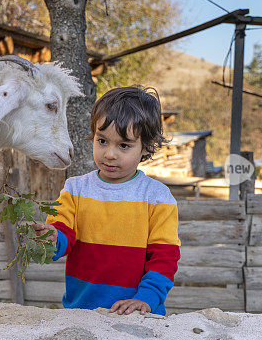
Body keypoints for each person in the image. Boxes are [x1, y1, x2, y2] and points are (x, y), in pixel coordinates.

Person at [33, 86, 181, 316]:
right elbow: (61, 233)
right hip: (82, 312)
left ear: (146, 148)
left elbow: (164, 257)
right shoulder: (75, 189)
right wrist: (50, 238)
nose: (110, 154)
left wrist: (147, 298)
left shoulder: (158, 198)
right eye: (102, 141)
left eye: (123, 145)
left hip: (139, 314)